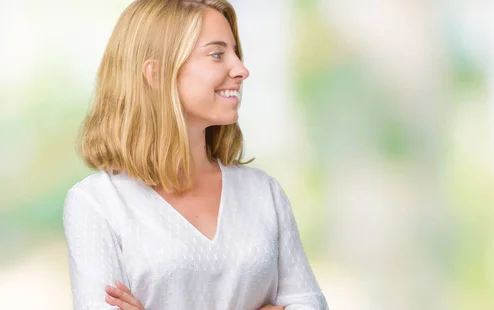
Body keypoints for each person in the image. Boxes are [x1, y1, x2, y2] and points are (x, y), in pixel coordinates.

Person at [62, 0, 329, 309]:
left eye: (235, 52)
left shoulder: (263, 193)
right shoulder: (97, 204)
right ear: (157, 73)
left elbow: (310, 304)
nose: (241, 69)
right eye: (217, 55)